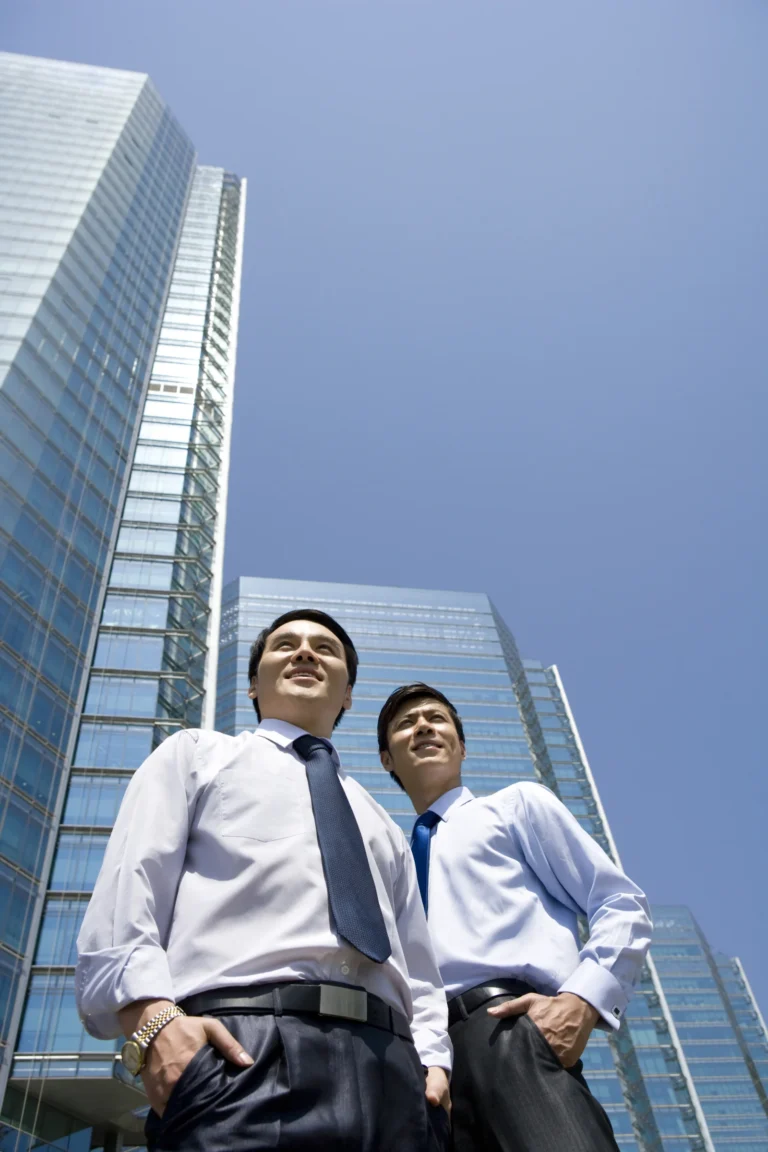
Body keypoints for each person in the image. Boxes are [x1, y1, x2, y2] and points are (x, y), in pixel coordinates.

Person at [75, 612, 451, 1152]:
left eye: (325, 648)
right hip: (241, 1052)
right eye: (285, 645)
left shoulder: (382, 824)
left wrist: (433, 1062)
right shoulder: (197, 756)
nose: (304, 653)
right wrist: (152, 1020)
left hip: (394, 1072)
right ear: (253, 683)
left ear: (347, 694)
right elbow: (130, 886)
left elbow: (418, 963)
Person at [378, 681, 653, 1152]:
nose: (423, 725)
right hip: (426, 1073)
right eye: (406, 723)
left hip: (512, 1033)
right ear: (387, 759)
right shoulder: (389, 862)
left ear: (461, 746)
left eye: (436, 718)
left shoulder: (515, 806)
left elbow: (620, 903)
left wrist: (581, 1001)